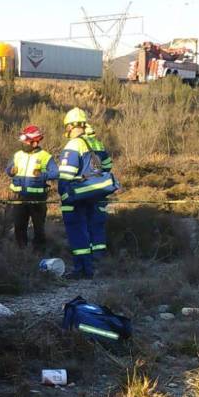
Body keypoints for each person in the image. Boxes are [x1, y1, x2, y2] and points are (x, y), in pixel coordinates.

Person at [57, 107, 119, 278]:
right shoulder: (96, 143)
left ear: (70, 126)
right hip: (96, 195)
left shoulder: (74, 145)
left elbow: (65, 175)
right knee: (95, 230)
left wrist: (64, 196)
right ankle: (97, 267)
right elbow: (106, 166)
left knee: (78, 232)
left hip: (77, 198)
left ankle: (81, 270)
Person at [6, 125, 56, 248]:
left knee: (39, 227)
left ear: (35, 142)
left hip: (37, 199)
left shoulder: (45, 156)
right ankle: (21, 251)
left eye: (26, 141)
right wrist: (11, 170)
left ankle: (38, 252)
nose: (23, 143)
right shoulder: (17, 155)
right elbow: (7, 169)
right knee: (19, 225)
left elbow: (56, 173)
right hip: (19, 197)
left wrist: (43, 175)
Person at [81, 118, 113, 258]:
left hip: (84, 188)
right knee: (97, 220)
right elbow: (107, 166)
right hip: (99, 189)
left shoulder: (80, 145)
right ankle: (99, 253)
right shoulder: (99, 145)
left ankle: (86, 253)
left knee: (83, 220)